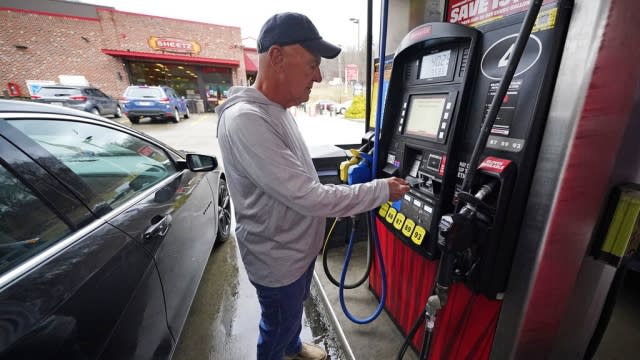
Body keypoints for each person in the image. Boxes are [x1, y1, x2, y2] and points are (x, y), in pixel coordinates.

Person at [216, 12, 409, 360]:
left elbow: (296, 181)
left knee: (289, 317)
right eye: (312, 65)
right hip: (278, 260)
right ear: (276, 57)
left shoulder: (276, 110)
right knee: (275, 326)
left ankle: (292, 345)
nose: (319, 76)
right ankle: (280, 350)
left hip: (295, 252)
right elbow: (308, 196)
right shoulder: (247, 120)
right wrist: (381, 190)